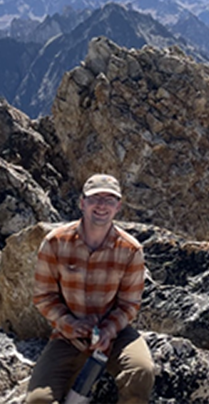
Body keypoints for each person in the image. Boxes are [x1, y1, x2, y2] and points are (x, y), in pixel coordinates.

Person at [26, 173, 155, 404]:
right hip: (67, 335)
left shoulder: (131, 249)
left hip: (115, 334)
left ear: (118, 206)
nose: (102, 206)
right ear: (82, 202)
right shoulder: (55, 242)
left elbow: (129, 305)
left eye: (110, 200)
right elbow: (44, 297)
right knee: (38, 400)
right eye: (96, 198)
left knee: (141, 371)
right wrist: (70, 324)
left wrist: (108, 330)